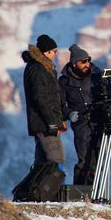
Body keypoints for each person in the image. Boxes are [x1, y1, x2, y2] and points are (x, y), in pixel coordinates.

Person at [58, 43, 104, 185]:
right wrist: (69, 113)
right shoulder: (64, 81)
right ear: (74, 63)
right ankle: (79, 193)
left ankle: (96, 194)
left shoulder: (96, 75)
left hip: (99, 121)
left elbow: (107, 94)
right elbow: (59, 105)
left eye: (88, 60)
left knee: (100, 159)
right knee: (84, 160)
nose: (87, 64)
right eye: (83, 61)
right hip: (81, 125)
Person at [21, 34, 66, 166]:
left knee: (42, 163)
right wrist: (52, 122)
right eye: (54, 51)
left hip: (44, 123)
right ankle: (55, 187)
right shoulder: (38, 69)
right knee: (56, 160)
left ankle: (36, 187)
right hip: (45, 124)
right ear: (47, 52)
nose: (56, 54)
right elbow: (40, 98)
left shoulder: (43, 67)